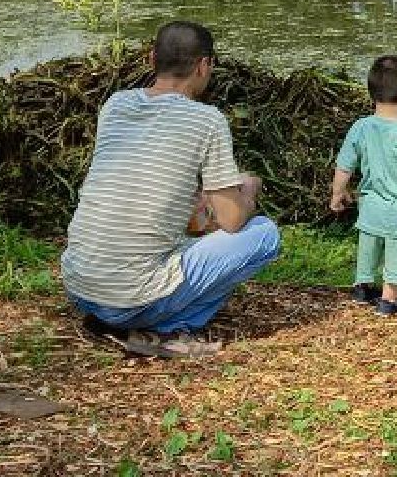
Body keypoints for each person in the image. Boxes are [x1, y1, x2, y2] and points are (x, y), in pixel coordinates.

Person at [63, 20, 278, 358]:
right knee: (264, 234)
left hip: (80, 287)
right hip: (129, 300)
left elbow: (143, 182)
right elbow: (232, 220)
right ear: (203, 66)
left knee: (185, 225)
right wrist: (248, 190)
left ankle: (116, 319)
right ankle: (168, 328)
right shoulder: (207, 120)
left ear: (152, 59)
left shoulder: (115, 105)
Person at [328, 55, 397, 315]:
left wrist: (337, 193)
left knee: (370, 247)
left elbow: (344, 165)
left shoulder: (361, 127)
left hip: (370, 207)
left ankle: (362, 288)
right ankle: (388, 301)